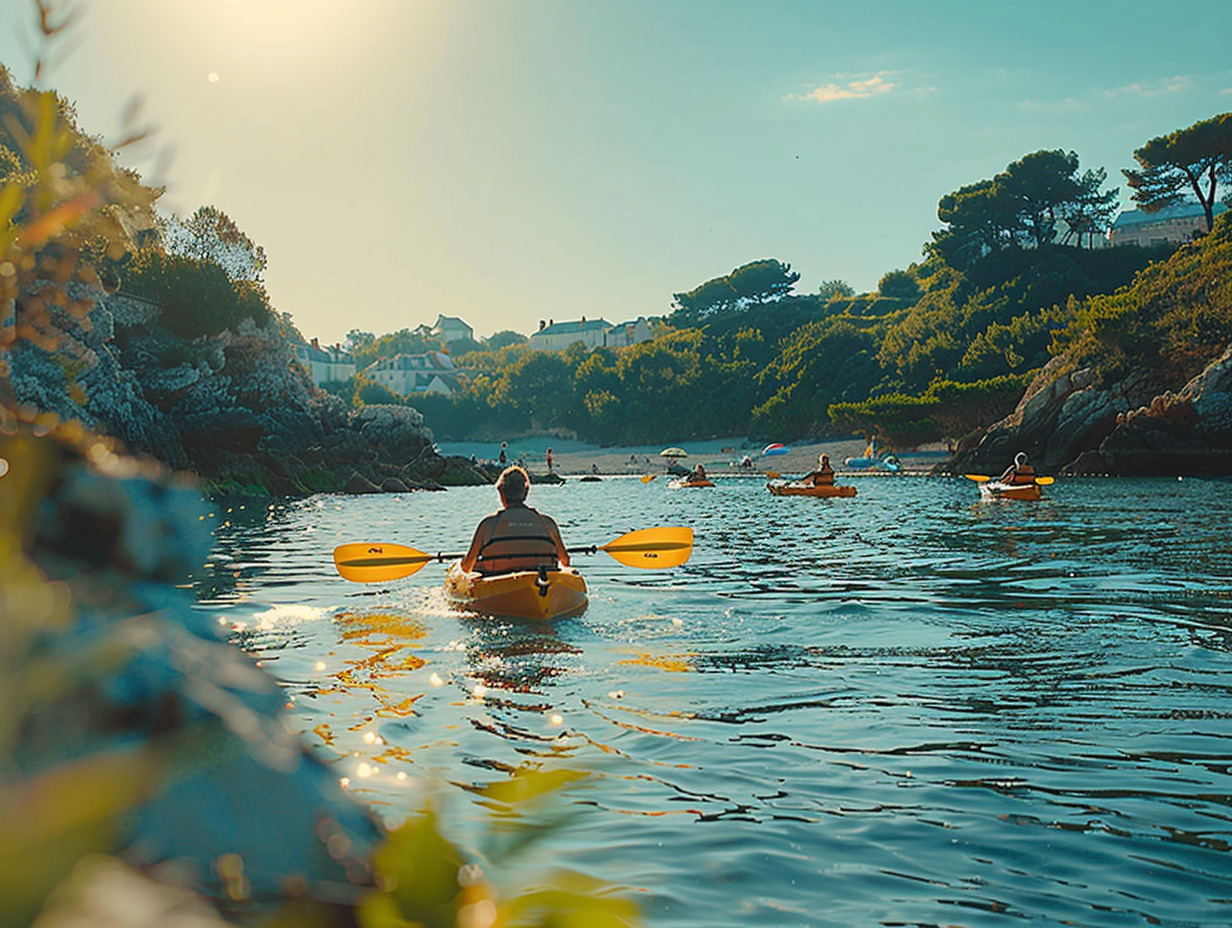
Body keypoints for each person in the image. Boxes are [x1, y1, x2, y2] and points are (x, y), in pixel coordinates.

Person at [461, 466, 570, 576]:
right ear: (526, 492)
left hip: (499, 584)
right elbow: (565, 561)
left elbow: (466, 568)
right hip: (540, 580)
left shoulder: (487, 525)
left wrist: (465, 561)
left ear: (501, 492)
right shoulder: (548, 523)